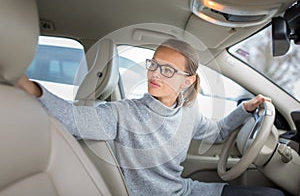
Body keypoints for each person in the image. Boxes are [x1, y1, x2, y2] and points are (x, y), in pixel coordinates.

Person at [16, 39, 285, 196]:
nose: (154, 74)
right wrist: (30, 87)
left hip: (187, 190)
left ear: (187, 81)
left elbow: (215, 133)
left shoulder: (188, 110)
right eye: (153, 65)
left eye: (167, 70)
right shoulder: (124, 113)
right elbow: (73, 119)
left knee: (274, 195)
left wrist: (245, 110)